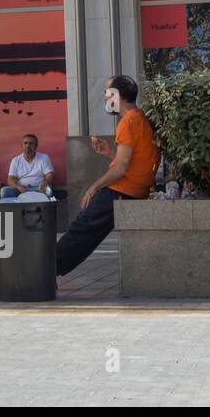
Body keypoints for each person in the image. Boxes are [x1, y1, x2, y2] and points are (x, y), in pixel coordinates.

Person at [57, 75, 160, 276]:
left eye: (106, 92)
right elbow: (131, 161)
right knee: (85, 231)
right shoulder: (140, 118)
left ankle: (43, 271)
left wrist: (94, 187)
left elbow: (120, 169)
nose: (104, 97)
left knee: (80, 230)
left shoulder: (128, 122)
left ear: (116, 95)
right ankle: (52, 269)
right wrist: (110, 153)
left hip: (122, 191)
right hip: (134, 191)